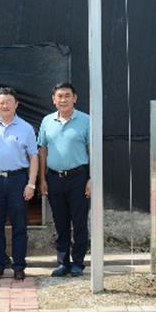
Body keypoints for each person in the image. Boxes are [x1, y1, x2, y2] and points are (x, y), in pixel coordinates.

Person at [0, 87, 39, 281]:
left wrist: (31, 184)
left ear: (16, 104)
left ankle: (19, 266)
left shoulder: (26, 128)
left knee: (19, 225)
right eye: (1, 102)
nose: (5, 105)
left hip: (18, 180)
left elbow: (34, 157)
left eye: (9, 102)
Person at [38, 82, 91, 277]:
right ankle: (63, 262)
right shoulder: (47, 121)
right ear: (54, 99)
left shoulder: (86, 120)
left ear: (74, 98)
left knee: (79, 222)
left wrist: (91, 178)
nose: (63, 99)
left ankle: (78, 262)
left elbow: (93, 150)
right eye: (59, 96)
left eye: (67, 95)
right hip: (54, 178)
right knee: (60, 222)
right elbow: (42, 150)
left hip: (79, 178)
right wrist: (42, 179)